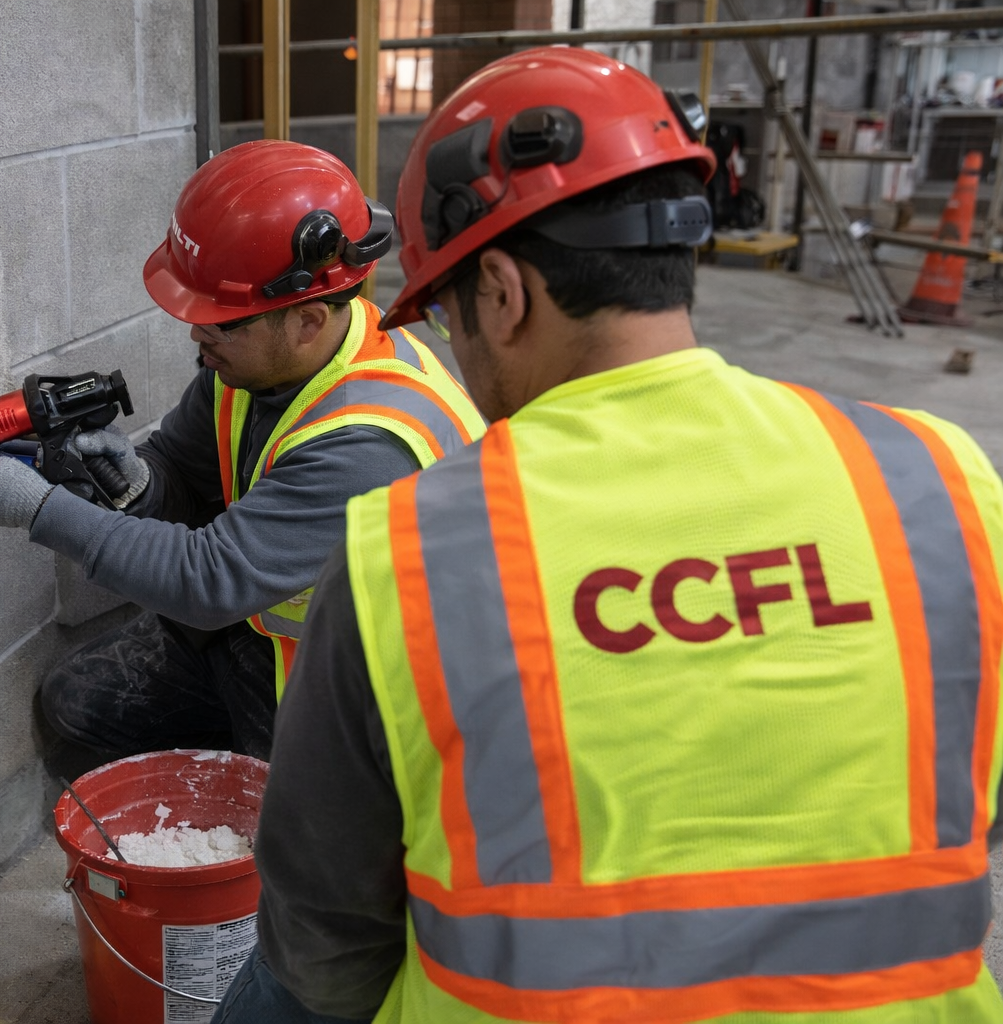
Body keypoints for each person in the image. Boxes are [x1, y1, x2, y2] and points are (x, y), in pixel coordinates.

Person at [214, 47, 1003, 1023]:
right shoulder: (940, 476)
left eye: (450, 317)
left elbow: (324, 943)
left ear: (501, 293)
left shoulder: (406, 551)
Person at [0, 140, 483, 769]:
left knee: (287, 844)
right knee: (76, 706)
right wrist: (139, 482)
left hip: (374, 698)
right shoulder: (252, 366)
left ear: (305, 320)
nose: (197, 333)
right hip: (265, 629)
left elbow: (206, 580)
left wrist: (36, 510)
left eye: (223, 321)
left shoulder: (368, 441)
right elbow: (183, 471)